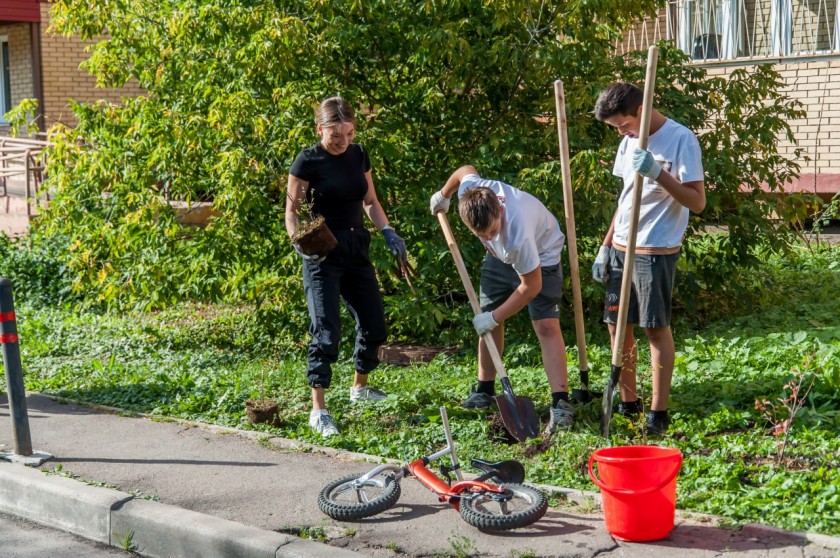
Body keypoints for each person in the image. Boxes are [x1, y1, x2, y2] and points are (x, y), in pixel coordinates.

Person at [286, 96, 408, 438]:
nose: (343, 142)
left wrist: (387, 231)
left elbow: (370, 201)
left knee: (375, 325)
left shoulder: (358, 154)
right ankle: (319, 410)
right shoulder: (307, 161)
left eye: (349, 133)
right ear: (319, 129)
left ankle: (359, 388)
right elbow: (291, 212)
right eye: (335, 135)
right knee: (326, 332)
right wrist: (300, 244)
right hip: (322, 251)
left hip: (357, 246)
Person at [591, 82, 705, 435]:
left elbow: (697, 202)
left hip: (655, 249)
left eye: (622, 125)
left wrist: (658, 173)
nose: (621, 133)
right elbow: (626, 199)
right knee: (616, 326)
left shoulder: (680, 139)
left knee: (654, 328)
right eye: (615, 129)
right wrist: (606, 244)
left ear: (640, 110)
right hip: (621, 247)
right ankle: (628, 401)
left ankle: (658, 411)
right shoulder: (627, 143)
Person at [430, 166, 574, 435]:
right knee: (489, 323)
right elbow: (464, 171)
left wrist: (495, 316)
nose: (487, 238)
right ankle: (484, 390)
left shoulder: (517, 236)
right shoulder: (472, 193)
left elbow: (531, 286)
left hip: (542, 258)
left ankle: (560, 402)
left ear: (501, 211)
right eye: (480, 235)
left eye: (492, 232)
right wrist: (443, 194)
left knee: (545, 325)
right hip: (499, 260)